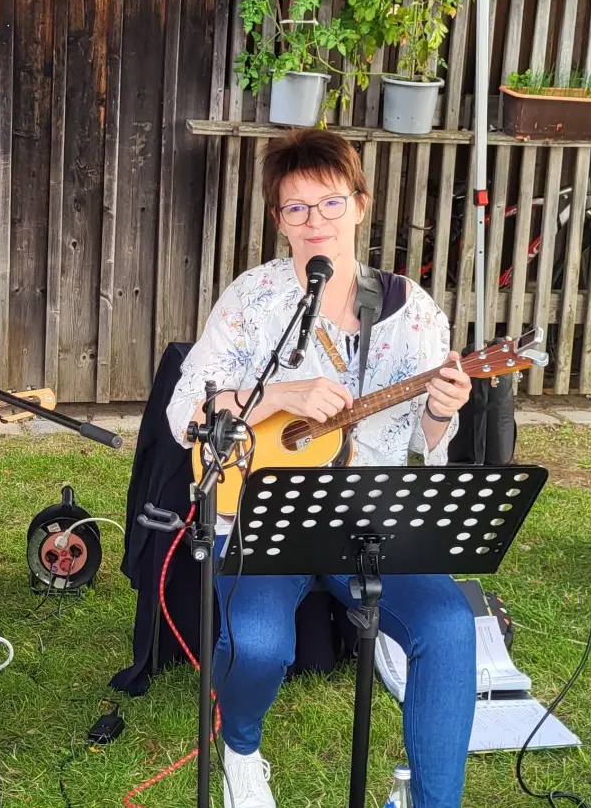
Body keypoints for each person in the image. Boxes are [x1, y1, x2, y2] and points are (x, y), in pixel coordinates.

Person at [167, 129, 476, 808]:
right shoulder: (255, 299)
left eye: (330, 204)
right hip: (259, 513)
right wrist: (279, 395)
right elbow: (183, 409)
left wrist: (442, 411)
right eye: (296, 209)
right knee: (256, 644)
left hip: (370, 514)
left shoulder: (410, 311)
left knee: (451, 626)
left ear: (360, 205)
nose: (315, 224)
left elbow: (429, 450)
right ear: (278, 220)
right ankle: (241, 749)